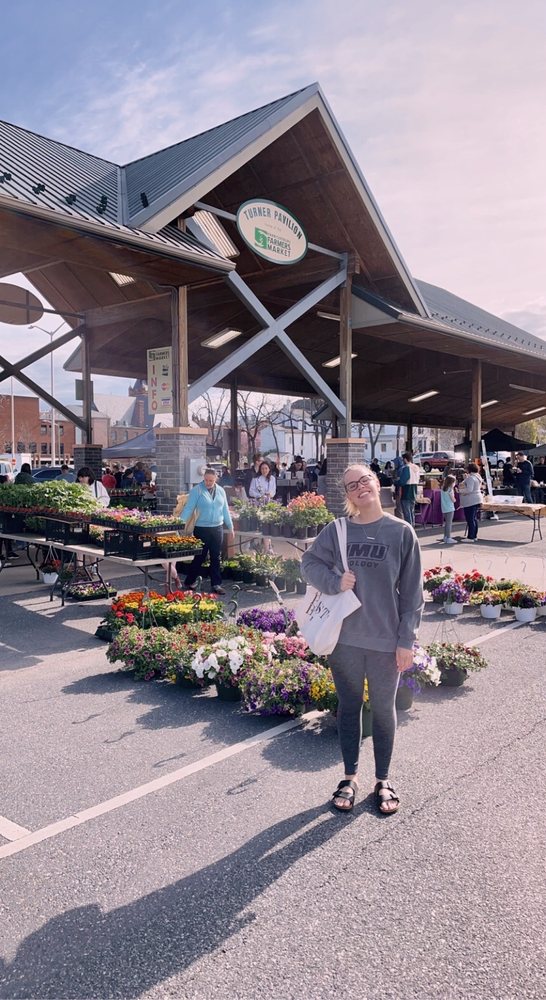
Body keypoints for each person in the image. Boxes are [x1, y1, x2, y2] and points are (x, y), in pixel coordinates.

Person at [301, 463, 423, 815]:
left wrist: (406, 641)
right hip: (345, 639)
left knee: (384, 710)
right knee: (350, 707)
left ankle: (382, 779)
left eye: (364, 479)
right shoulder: (337, 531)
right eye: (351, 485)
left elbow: (413, 594)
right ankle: (350, 777)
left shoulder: (401, 532)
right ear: (348, 495)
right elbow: (309, 564)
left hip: (385, 640)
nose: (360, 487)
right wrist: (334, 582)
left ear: (377, 482)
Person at [180, 467, 234, 595]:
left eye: (211, 480)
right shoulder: (196, 490)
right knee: (200, 556)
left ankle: (216, 584)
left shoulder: (221, 491)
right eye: (206, 480)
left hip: (217, 528)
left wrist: (230, 527)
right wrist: (179, 523)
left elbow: (225, 510)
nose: (208, 483)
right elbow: (189, 508)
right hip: (201, 528)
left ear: (216, 479)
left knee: (216, 556)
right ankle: (189, 581)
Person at [458, 462, 483, 542]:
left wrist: (460, 491)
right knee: (474, 518)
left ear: (469, 469)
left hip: (471, 500)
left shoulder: (471, 478)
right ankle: (474, 535)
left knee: (470, 519)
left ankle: (471, 537)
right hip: (477, 499)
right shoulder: (477, 476)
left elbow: (469, 489)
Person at [397, 452, 420, 526]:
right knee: (411, 511)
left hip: (406, 491)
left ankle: (409, 528)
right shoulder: (416, 467)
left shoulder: (407, 468)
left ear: (405, 459)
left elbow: (403, 481)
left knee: (407, 513)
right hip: (414, 491)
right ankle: (412, 526)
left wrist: (395, 482)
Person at [440, 474, 457, 545]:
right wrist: (455, 499)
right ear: (451, 483)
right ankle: (448, 537)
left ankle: (445, 537)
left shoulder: (443, 488)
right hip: (450, 508)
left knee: (446, 523)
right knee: (449, 524)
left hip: (444, 507)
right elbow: (453, 500)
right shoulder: (450, 490)